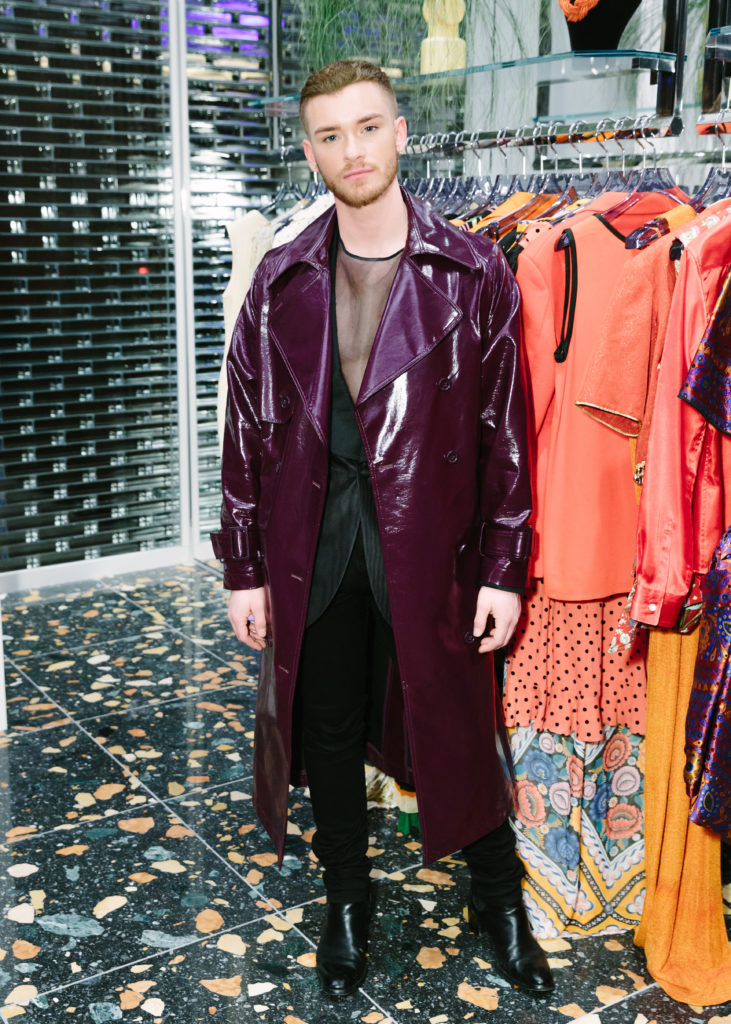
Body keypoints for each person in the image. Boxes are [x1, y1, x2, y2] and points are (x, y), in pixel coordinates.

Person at [212, 58, 553, 1000]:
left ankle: (498, 897)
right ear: (310, 148)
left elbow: (505, 432)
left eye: (367, 128)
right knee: (326, 731)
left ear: (400, 134)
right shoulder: (282, 277)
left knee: (454, 724)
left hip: (429, 539)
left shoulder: (472, 268)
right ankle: (347, 899)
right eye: (329, 135)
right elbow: (246, 428)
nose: (350, 150)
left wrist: (503, 566)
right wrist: (242, 565)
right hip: (310, 541)